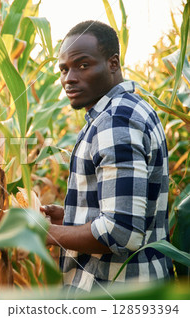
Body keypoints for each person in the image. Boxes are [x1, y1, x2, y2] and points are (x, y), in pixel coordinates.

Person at [40, 20, 173, 294]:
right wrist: (68, 217)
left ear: (113, 64)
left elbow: (120, 231)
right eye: (64, 69)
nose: (69, 78)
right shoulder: (131, 109)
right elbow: (133, 211)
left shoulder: (116, 121)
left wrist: (42, 233)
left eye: (83, 65)